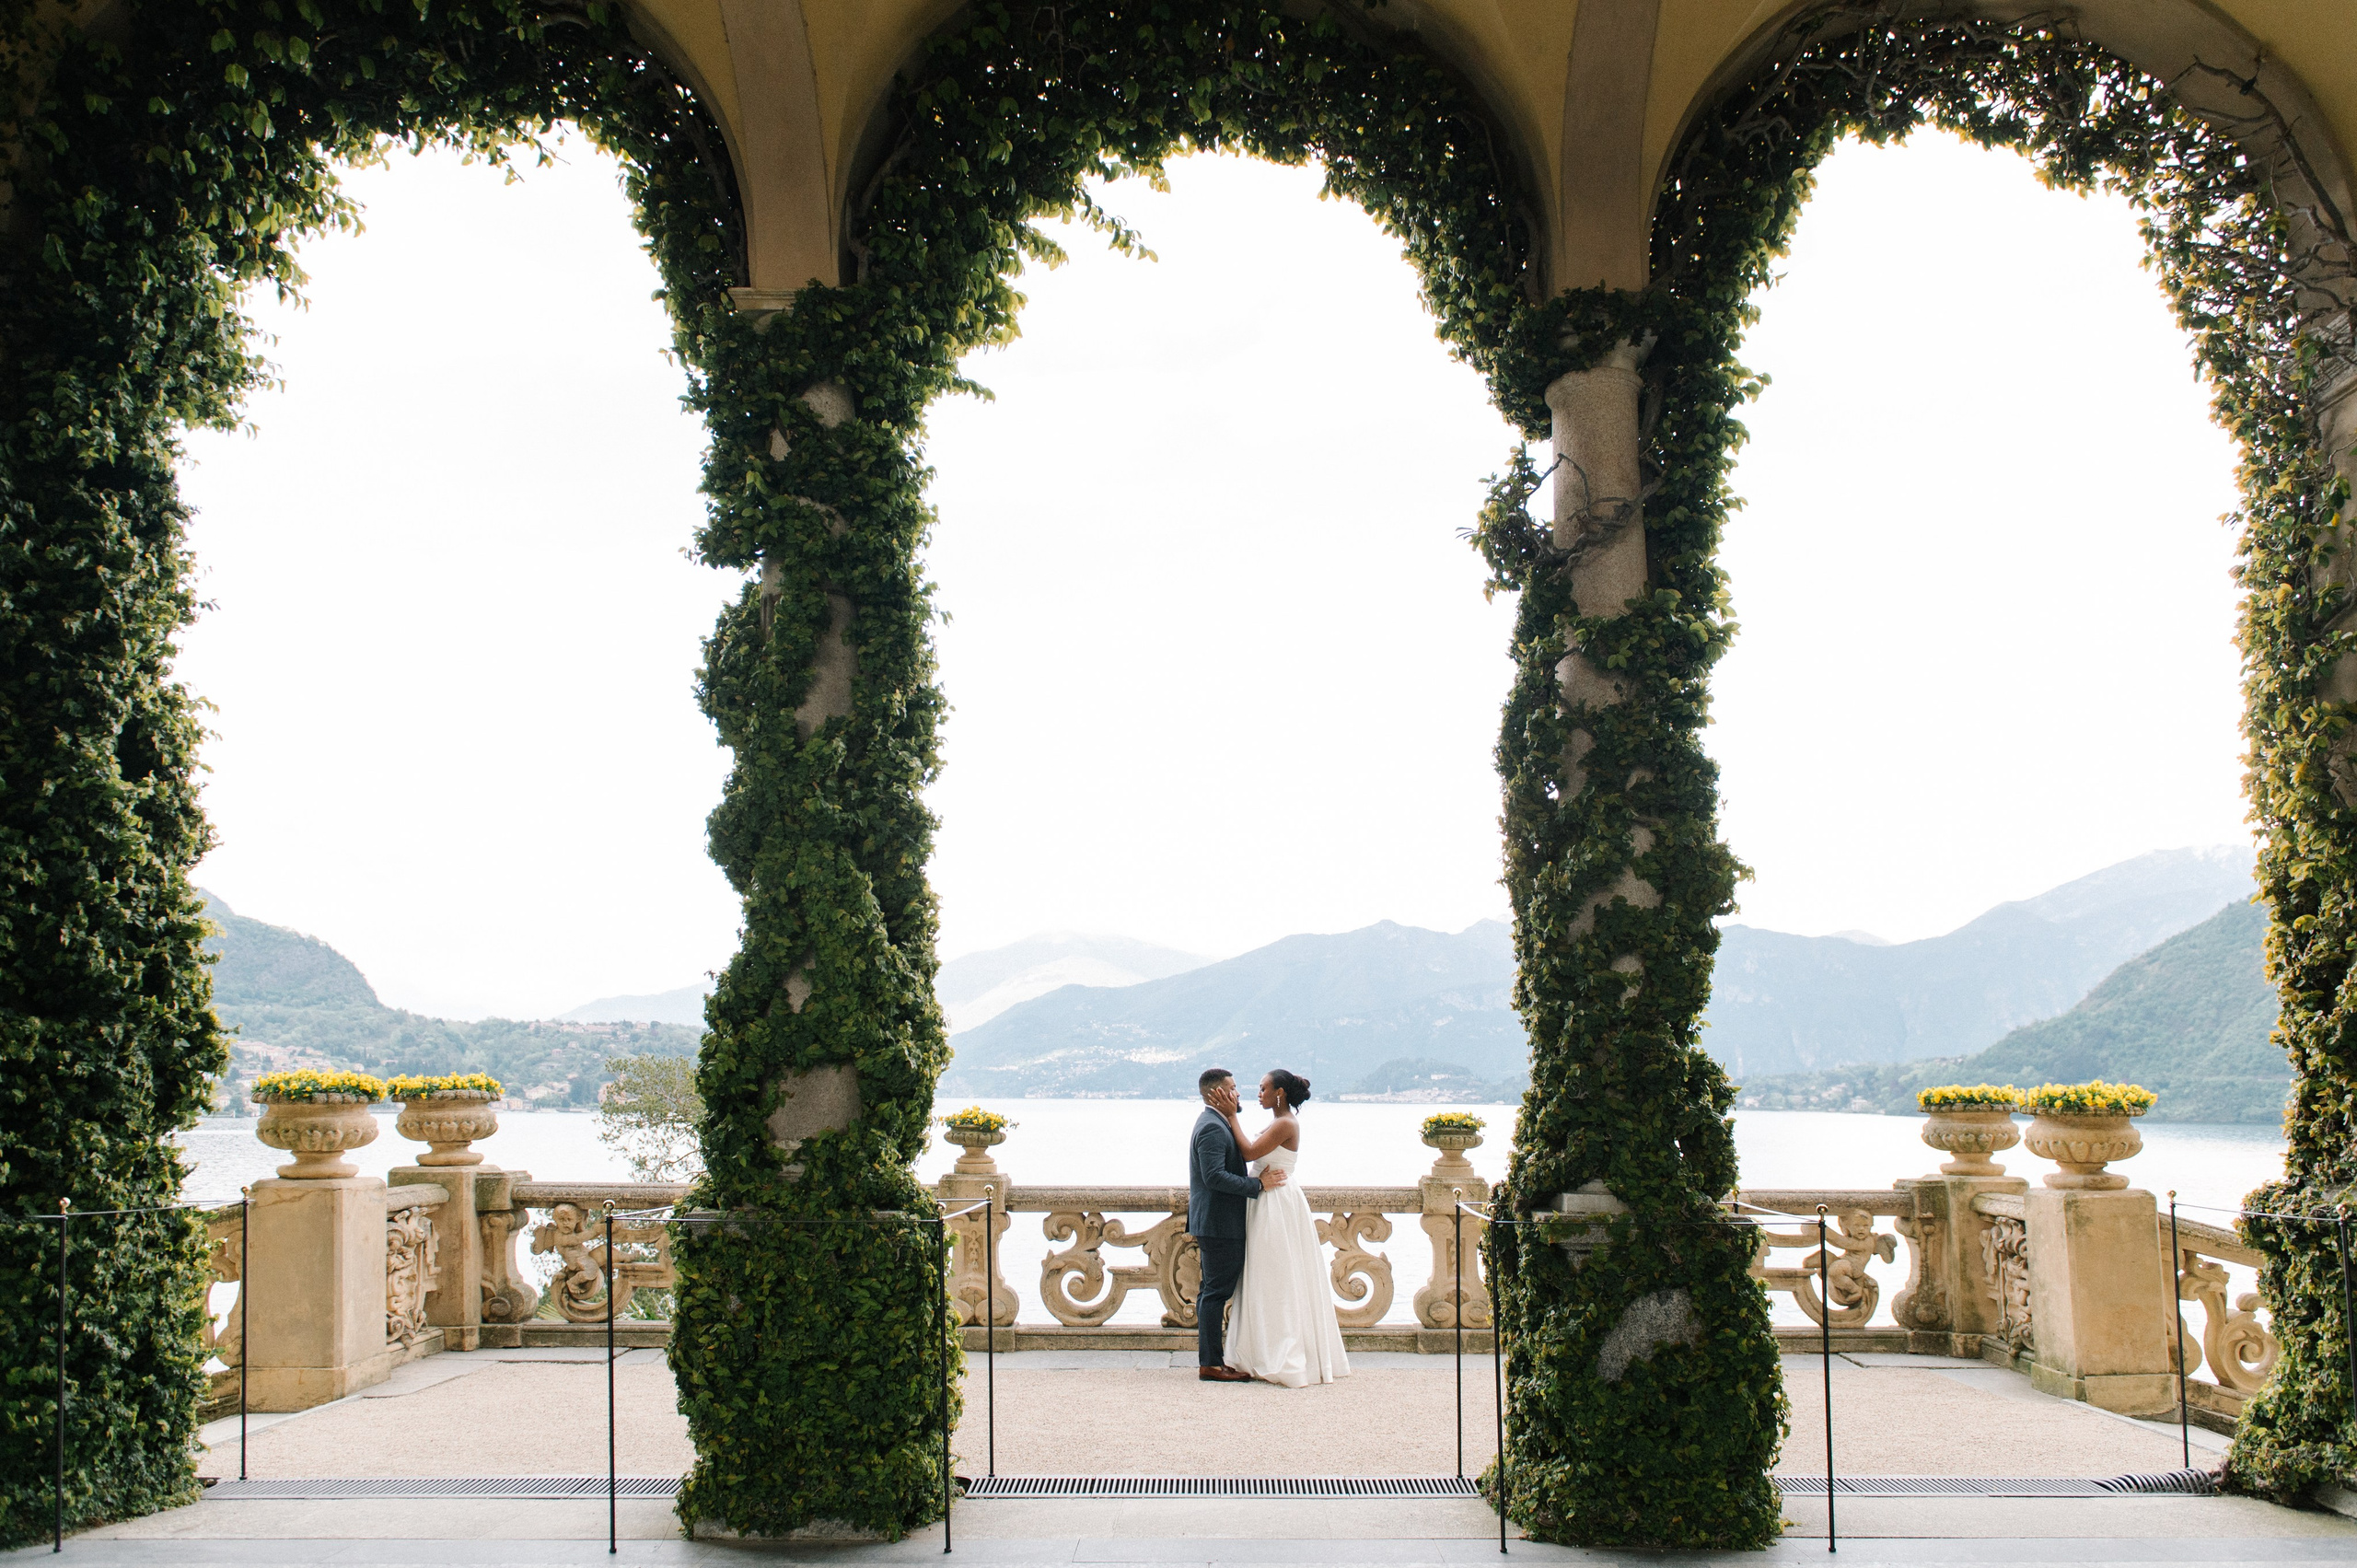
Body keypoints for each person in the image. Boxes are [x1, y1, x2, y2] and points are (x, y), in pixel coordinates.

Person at [1218, 1068, 1351, 1387]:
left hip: (1275, 1204)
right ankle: (1260, 1349)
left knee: (1276, 1275)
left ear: (1279, 1093)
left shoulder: (1286, 1123)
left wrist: (1231, 1114)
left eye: (1263, 1088)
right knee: (1265, 1276)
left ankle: (1282, 1352)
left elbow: (1250, 1151)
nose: (1258, 1093)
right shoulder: (1280, 1122)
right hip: (1267, 1199)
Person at [1187, 1066, 1285, 1383]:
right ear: (1216, 1093)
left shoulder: (1216, 1122)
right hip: (1218, 1222)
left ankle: (1212, 1360)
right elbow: (1213, 1176)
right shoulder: (1213, 1127)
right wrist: (1258, 1185)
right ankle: (1211, 1364)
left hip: (1216, 1221)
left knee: (1211, 1292)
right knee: (1215, 1293)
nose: (1238, 1093)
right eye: (1231, 1088)